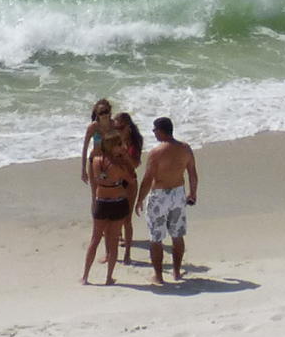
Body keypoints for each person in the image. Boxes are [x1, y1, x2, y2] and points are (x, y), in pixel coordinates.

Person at [138, 115, 198, 283]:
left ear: (161, 131)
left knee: (156, 238)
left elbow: (148, 179)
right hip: (178, 193)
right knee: (177, 235)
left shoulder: (156, 152)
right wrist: (193, 193)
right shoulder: (185, 148)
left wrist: (139, 200)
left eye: (154, 130)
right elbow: (192, 173)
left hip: (160, 195)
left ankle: (158, 276)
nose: (153, 133)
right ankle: (177, 272)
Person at [83, 123, 137, 285]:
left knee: (96, 239)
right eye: (119, 144)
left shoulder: (97, 161)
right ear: (112, 146)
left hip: (102, 201)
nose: (122, 146)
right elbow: (132, 179)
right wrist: (125, 160)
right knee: (112, 242)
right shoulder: (119, 165)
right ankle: (108, 277)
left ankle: (85, 276)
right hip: (117, 201)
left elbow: (100, 178)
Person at [79, 98, 118, 186]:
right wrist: (83, 170)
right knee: (95, 193)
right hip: (95, 161)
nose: (104, 114)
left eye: (106, 111)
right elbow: (85, 148)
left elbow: (121, 145)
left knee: (111, 190)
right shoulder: (93, 127)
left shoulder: (114, 125)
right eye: (101, 113)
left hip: (111, 162)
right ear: (97, 114)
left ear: (110, 111)